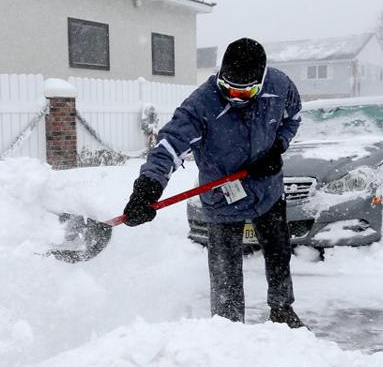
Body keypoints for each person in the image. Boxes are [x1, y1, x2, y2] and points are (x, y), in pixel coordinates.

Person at [122, 37, 306, 328]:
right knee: (225, 271)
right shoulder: (201, 103)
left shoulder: (280, 86)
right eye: (228, 87)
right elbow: (169, 146)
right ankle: (227, 329)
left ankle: (282, 309)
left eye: (246, 92)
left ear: (262, 80)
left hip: (266, 188)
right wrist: (148, 187)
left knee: (279, 253)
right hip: (222, 196)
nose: (235, 97)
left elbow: (293, 118)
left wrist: (277, 147)